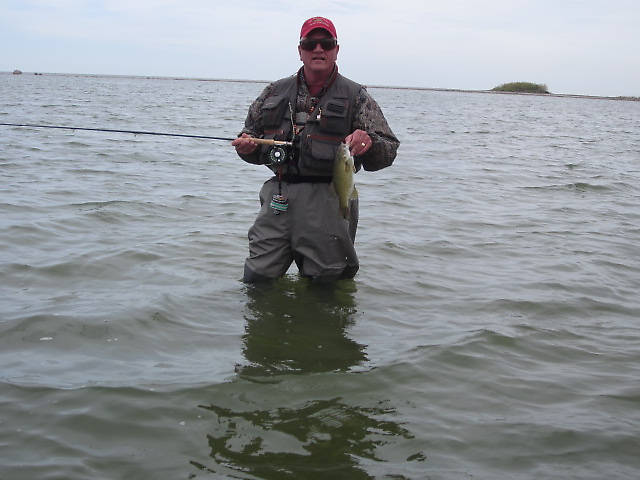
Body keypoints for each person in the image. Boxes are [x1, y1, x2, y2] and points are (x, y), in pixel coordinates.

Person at [233, 16, 399, 283]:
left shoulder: (357, 96)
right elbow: (250, 138)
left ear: (336, 49)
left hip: (330, 201)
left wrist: (369, 143)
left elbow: (389, 150)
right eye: (311, 44)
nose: (318, 49)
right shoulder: (272, 92)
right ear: (300, 51)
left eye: (326, 43)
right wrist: (245, 147)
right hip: (278, 198)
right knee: (256, 278)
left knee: (327, 285)